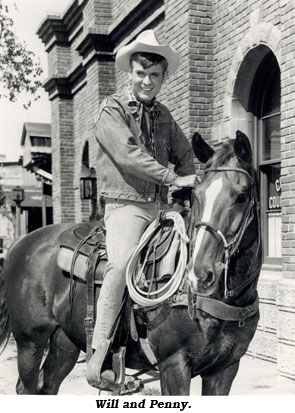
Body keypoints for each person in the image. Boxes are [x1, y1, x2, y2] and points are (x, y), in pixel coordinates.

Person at [86, 29, 196, 390]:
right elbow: (128, 156)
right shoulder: (111, 109)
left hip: (160, 206)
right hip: (126, 206)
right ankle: (98, 357)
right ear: (129, 73)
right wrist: (171, 177)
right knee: (120, 265)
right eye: (141, 73)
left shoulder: (165, 115)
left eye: (155, 75)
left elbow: (184, 154)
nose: (147, 81)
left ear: (163, 78)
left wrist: (194, 178)